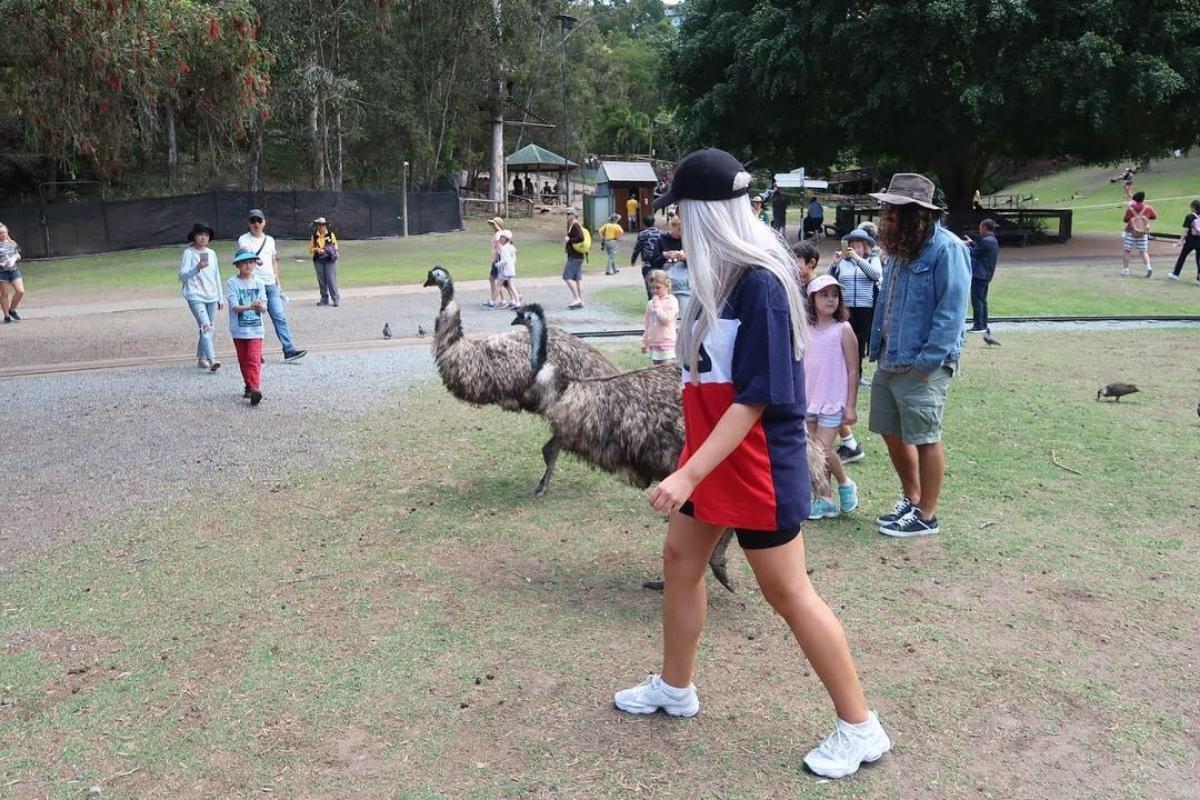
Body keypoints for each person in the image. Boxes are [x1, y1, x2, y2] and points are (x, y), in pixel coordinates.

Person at [613, 148, 890, 780]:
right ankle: (676, 688)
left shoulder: (762, 284)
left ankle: (861, 727)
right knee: (681, 562)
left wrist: (686, 473)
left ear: (708, 213)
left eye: (680, 211)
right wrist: (692, 465)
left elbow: (758, 399)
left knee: (788, 592)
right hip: (710, 461)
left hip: (757, 464)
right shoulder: (717, 280)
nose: (672, 222)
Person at [867, 173, 970, 538]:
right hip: (890, 357)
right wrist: (876, 347)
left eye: (894, 210)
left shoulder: (947, 249)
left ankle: (927, 515)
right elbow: (887, 301)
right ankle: (912, 498)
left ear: (919, 213)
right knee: (890, 430)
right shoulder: (899, 248)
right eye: (886, 208)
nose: (887, 215)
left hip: (924, 363)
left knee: (926, 436)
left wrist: (928, 362)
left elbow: (952, 311)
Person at [803, 275, 860, 520]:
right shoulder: (805, 328)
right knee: (814, 452)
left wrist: (850, 405)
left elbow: (853, 369)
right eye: (824, 295)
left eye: (834, 295)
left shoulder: (843, 329)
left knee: (820, 449)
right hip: (809, 399)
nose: (830, 299)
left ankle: (845, 483)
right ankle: (825, 498)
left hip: (833, 400)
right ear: (812, 299)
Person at [237, 209, 306, 362]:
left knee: (279, 317)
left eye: (259, 220)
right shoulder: (244, 239)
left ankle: (288, 350)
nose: (256, 224)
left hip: (270, 284)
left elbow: (274, 261)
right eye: (253, 221)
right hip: (254, 284)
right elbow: (246, 253)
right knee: (254, 319)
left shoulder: (270, 240)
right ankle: (255, 352)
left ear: (264, 222)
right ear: (249, 223)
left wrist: (278, 281)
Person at [226, 250, 269, 406]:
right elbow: (234, 306)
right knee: (243, 360)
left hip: (256, 329)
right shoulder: (232, 282)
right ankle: (249, 386)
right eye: (244, 262)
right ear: (238, 265)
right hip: (239, 329)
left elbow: (265, 307)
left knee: (254, 358)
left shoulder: (259, 282)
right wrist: (249, 306)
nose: (248, 265)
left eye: (251, 262)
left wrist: (259, 307)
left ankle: (255, 388)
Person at [178, 222, 223, 372]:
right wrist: (197, 268)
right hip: (195, 294)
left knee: (207, 328)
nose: (203, 238)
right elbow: (183, 276)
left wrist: (220, 298)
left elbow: (216, 276)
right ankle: (212, 359)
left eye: (206, 235)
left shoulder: (212, 253)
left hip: (211, 295)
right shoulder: (189, 253)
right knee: (206, 327)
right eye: (200, 234)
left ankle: (201, 358)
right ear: (194, 236)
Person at [964, 219, 999, 332]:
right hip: (986, 274)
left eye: (980, 227)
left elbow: (975, 253)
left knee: (977, 300)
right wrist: (972, 243)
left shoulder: (986, 241)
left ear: (985, 228)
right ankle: (983, 324)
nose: (979, 230)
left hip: (980, 274)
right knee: (982, 300)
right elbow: (981, 250)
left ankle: (978, 324)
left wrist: (964, 246)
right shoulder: (992, 240)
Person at [651, 215, 689, 312]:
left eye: (684, 230)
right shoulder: (661, 240)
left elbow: (698, 264)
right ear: (671, 227)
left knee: (684, 314)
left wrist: (686, 258)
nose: (682, 233)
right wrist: (664, 256)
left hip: (685, 288)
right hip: (666, 287)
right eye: (679, 229)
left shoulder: (688, 240)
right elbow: (654, 263)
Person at [641, 269, 679, 366]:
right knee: (656, 371)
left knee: (667, 371)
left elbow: (665, 320)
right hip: (654, 344)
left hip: (667, 344)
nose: (655, 291)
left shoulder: (672, 301)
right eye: (652, 288)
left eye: (658, 288)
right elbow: (647, 323)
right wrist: (645, 342)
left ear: (667, 286)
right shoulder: (650, 304)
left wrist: (657, 305)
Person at [1121, 191, 1157, 277]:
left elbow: (1125, 219)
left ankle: (1126, 270)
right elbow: (1154, 216)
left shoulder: (1131, 209)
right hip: (1143, 233)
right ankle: (1148, 267)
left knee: (1127, 251)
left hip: (1131, 232)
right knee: (1143, 251)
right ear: (1143, 199)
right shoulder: (1148, 208)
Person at [631, 215, 665, 298]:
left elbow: (637, 249)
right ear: (654, 222)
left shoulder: (642, 234)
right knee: (662, 282)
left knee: (649, 284)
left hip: (647, 263)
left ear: (644, 224)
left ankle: (652, 301)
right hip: (661, 261)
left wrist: (633, 260)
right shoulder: (661, 233)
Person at [310, 217, 341, 307]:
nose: (321, 227)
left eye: (323, 225)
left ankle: (336, 299)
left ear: (326, 226)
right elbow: (311, 249)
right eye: (319, 225)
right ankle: (324, 299)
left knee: (331, 279)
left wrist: (326, 250)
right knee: (322, 280)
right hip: (318, 260)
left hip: (330, 260)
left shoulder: (331, 235)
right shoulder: (314, 236)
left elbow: (335, 248)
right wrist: (317, 249)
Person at [1168, 199, 1200, 284]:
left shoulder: (1189, 217)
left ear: (1193, 208)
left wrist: (1180, 241)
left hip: (1190, 241)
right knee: (1199, 260)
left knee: (1182, 257)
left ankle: (1175, 274)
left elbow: (1185, 230)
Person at [0, 223, 25, 324]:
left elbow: (17, 253)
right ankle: (6, 316)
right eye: (0, 233)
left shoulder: (12, 243)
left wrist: (16, 257)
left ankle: (12, 310)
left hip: (13, 270)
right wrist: (1, 263)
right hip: (1, 272)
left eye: (3, 233)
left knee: (20, 291)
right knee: (4, 294)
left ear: (7, 232)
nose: (2, 235)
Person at [562, 207, 586, 309]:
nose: (567, 216)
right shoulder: (574, 225)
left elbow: (581, 237)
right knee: (577, 279)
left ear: (573, 215)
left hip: (575, 256)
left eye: (569, 214)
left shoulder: (575, 225)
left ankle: (577, 299)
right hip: (578, 256)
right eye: (567, 214)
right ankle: (580, 300)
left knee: (566, 277)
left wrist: (569, 239)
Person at [495, 229, 521, 308]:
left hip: (506, 270)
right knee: (511, 285)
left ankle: (492, 302)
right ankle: (516, 301)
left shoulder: (505, 248)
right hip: (510, 269)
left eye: (502, 237)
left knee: (499, 284)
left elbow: (504, 260)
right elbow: (513, 259)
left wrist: (497, 264)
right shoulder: (510, 247)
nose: (500, 239)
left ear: (506, 239)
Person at [484, 216, 506, 309]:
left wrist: (496, 259)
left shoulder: (498, 234)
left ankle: (497, 300)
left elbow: (499, 248)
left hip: (498, 260)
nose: (492, 226)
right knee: (494, 279)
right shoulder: (498, 234)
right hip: (497, 259)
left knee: (495, 280)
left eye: (494, 224)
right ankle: (497, 299)